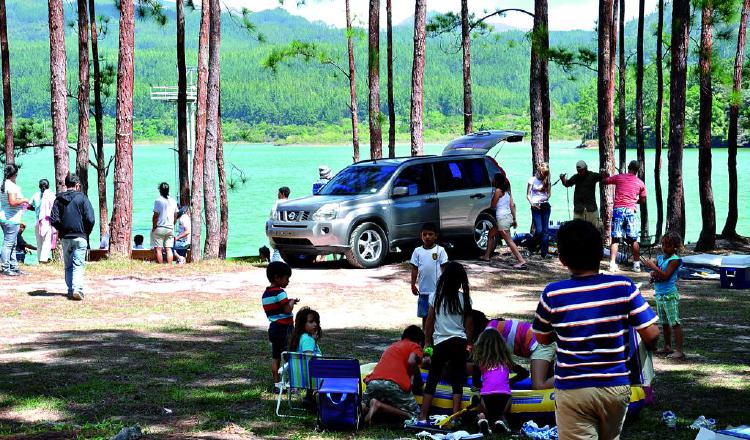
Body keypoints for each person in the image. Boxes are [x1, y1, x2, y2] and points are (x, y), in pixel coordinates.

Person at [532, 219, 659, 440]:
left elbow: (542, 340)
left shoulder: (553, 294)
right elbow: (651, 333)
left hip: (573, 389)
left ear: (562, 259)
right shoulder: (623, 287)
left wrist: (564, 330)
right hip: (615, 388)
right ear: (601, 254)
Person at [416, 262, 474, 426]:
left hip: (441, 342)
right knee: (458, 380)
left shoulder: (436, 296)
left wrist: (428, 343)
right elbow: (469, 324)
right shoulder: (464, 298)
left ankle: (423, 415)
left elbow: (429, 321)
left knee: (433, 378)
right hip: (459, 342)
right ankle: (455, 416)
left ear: (444, 279)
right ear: (461, 281)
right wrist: (469, 344)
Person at [471, 311, 554, 390]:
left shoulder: (488, 334)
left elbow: (478, 362)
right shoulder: (493, 327)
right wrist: (511, 381)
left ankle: (566, 375)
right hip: (541, 339)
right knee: (547, 380)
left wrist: (476, 385)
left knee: (538, 386)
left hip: (539, 343)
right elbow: (521, 372)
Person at [363, 325, 425, 424]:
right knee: (415, 416)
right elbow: (412, 362)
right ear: (420, 342)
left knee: (362, 406)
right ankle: (379, 405)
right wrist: (420, 383)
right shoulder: (415, 346)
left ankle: (370, 408)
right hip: (394, 384)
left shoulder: (393, 346)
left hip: (374, 381)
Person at [472, 328, 528, 435]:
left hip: (486, 398)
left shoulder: (479, 361)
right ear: (501, 344)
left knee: (480, 405)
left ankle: (482, 419)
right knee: (502, 413)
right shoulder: (506, 360)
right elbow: (524, 373)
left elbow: (476, 383)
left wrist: (483, 384)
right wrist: (509, 382)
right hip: (504, 397)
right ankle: (501, 421)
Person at [50, 174, 95, 301]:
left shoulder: (58, 199)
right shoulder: (82, 198)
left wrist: (61, 229)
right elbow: (90, 219)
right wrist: (86, 232)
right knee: (78, 264)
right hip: (80, 236)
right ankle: (77, 289)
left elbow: (53, 219)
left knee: (68, 265)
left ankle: (70, 290)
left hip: (65, 237)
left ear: (66, 185)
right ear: (77, 185)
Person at [641, 231, 685, 360]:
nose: (664, 247)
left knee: (674, 322)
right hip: (660, 295)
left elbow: (666, 275)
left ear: (675, 247)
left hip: (669, 295)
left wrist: (653, 267)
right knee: (664, 323)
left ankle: (679, 350)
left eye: (668, 245)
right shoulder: (661, 258)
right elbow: (659, 274)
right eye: (663, 244)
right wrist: (653, 276)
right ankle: (667, 346)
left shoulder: (675, 260)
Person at [603, 160, 647, 273]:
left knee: (616, 239)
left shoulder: (619, 177)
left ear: (628, 167)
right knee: (633, 239)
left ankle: (612, 264)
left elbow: (605, 181)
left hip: (618, 210)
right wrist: (633, 202)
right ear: (637, 170)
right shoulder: (640, 183)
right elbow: (643, 200)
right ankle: (636, 265)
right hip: (630, 211)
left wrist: (605, 175)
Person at [262, 261, 299, 388]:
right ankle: (294, 382)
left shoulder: (266, 294)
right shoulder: (280, 292)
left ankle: (277, 383)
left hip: (273, 328)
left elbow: (275, 309)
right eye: (286, 278)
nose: (288, 281)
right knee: (290, 355)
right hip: (285, 328)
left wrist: (287, 302)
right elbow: (287, 310)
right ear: (277, 278)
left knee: (276, 356)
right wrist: (292, 302)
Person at [481, 173, 527, 269]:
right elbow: (512, 205)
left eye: (494, 179)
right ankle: (486, 256)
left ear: (497, 181)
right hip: (507, 217)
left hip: (502, 218)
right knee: (490, 234)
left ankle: (521, 261)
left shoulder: (498, 191)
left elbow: (493, 205)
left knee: (509, 241)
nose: (492, 180)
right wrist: (514, 219)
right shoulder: (507, 191)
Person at [410, 223, 449, 328]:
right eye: (425, 234)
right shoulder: (417, 251)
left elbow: (444, 268)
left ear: (436, 236)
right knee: (425, 315)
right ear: (421, 236)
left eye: (430, 234)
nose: (427, 237)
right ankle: (425, 338)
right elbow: (414, 268)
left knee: (437, 315)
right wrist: (413, 284)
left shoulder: (440, 251)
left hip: (437, 291)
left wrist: (445, 285)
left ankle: (436, 337)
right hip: (423, 291)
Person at [1, 164, 29, 276]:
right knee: (8, 244)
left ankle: (14, 266)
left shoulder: (2, 184)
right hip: (11, 219)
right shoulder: (12, 187)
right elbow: (12, 202)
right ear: (14, 174)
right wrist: (23, 200)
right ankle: (6, 267)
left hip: (4, 217)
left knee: (12, 243)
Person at [560, 160, 603, 229]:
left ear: (586, 168)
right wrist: (562, 179)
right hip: (578, 208)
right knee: (577, 229)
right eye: (578, 171)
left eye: (581, 171)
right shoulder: (576, 177)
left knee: (595, 228)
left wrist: (605, 173)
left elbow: (604, 178)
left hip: (591, 207)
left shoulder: (593, 176)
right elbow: (567, 184)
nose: (579, 172)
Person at [526, 162, 552, 258]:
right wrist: (532, 203)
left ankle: (544, 253)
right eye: (542, 173)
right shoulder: (532, 180)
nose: (543, 175)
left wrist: (546, 198)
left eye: (545, 174)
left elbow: (549, 194)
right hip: (535, 206)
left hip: (545, 206)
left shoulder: (546, 180)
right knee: (539, 230)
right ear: (539, 171)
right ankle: (531, 247)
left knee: (545, 231)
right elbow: (528, 195)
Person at [29, 178, 56, 263]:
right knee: (46, 242)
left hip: (38, 222)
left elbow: (28, 206)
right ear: (48, 186)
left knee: (39, 242)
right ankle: (43, 260)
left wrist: (36, 209)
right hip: (47, 222)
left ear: (39, 186)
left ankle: (39, 260)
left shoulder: (35, 195)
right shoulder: (51, 195)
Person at [151, 182, 179, 264]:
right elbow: (175, 215)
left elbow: (155, 216)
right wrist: (172, 225)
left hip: (160, 227)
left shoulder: (158, 200)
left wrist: (154, 227)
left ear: (160, 190)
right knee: (168, 248)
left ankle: (161, 265)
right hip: (170, 228)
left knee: (158, 248)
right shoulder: (173, 201)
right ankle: (170, 265)